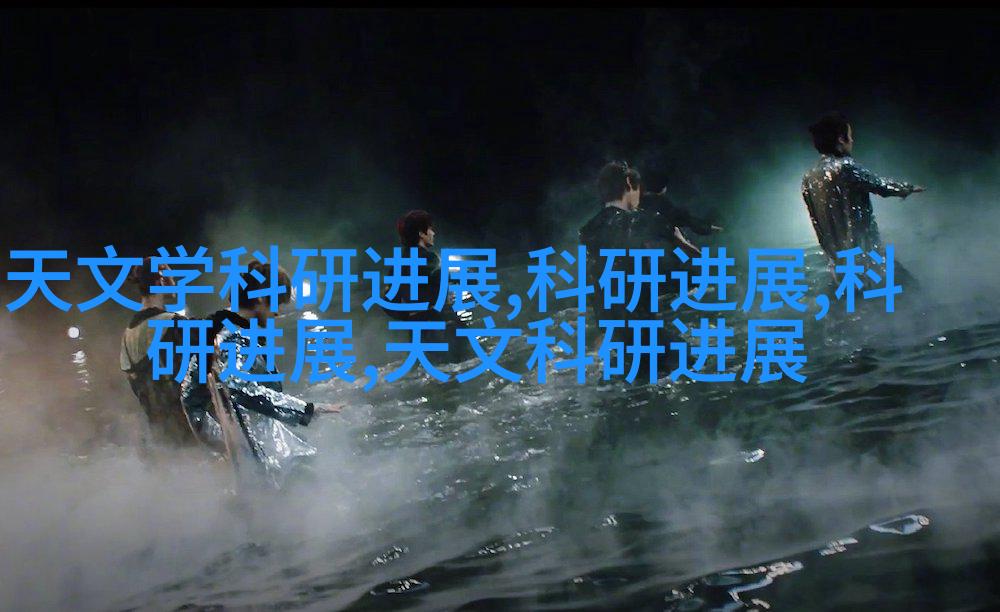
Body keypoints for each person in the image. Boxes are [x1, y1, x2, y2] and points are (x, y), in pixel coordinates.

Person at [180, 260, 341, 489]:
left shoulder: (217, 332)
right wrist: (307, 409)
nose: (277, 312)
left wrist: (225, 441)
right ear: (260, 299)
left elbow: (189, 398)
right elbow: (239, 387)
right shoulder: (235, 338)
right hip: (267, 463)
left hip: (255, 458)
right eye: (276, 303)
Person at [801, 112, 924, 282]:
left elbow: (817, 222)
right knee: (908, 288)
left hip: (840, 265)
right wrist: (909, 188)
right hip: (868, 259)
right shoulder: (845, 168)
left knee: (858, 296)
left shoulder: (808, 178)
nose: (852, 141)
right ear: (841, 139)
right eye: (850, 136)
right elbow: (880, 185)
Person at [120, 257, 198, 447]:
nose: (174, 282)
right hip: (188, 431)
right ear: (159, 282)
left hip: (157, 435)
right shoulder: (174, 324)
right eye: (169, 277)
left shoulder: (127, 335)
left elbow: (135, 385)